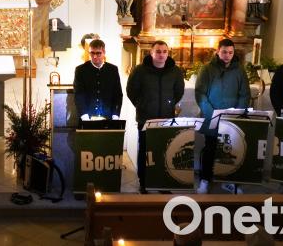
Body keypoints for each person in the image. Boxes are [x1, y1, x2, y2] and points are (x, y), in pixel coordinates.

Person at [126, 41, 185, 193]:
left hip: (166, 117)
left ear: (168, 53)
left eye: (164, 51)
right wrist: (142, 105)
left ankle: (161, 182)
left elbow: (178, 92)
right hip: (146, 117)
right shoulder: (140, 70)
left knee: (163, 150)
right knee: (145, 150)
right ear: (151, 53)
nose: (161, 54)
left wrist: (169, 104)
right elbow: (131, 90)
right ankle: (143, 182)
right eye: (158, 51)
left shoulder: (175, 71)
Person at [194, 38, 249, 193]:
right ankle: (205, 179)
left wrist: (236, 114)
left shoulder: (239, 70)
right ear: (218, 51)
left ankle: (230, 181)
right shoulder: (207, 69)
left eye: (230, 52)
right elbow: (200, 93)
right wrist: (211, 113)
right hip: (212, 116)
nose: (227, 55)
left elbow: (245, 94)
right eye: (224, 52)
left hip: (232, 118)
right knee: (210, 148)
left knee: (231, 150)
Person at [73, 39, 123, 120]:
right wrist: (84, 116)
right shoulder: (81, 70)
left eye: (98, 53)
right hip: (87, 117)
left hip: (108, 117)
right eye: (92, 53)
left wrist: (115, 115)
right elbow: (78, 95)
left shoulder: (113, 70)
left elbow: (117, 94)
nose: (95, 56)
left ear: (104, 53)